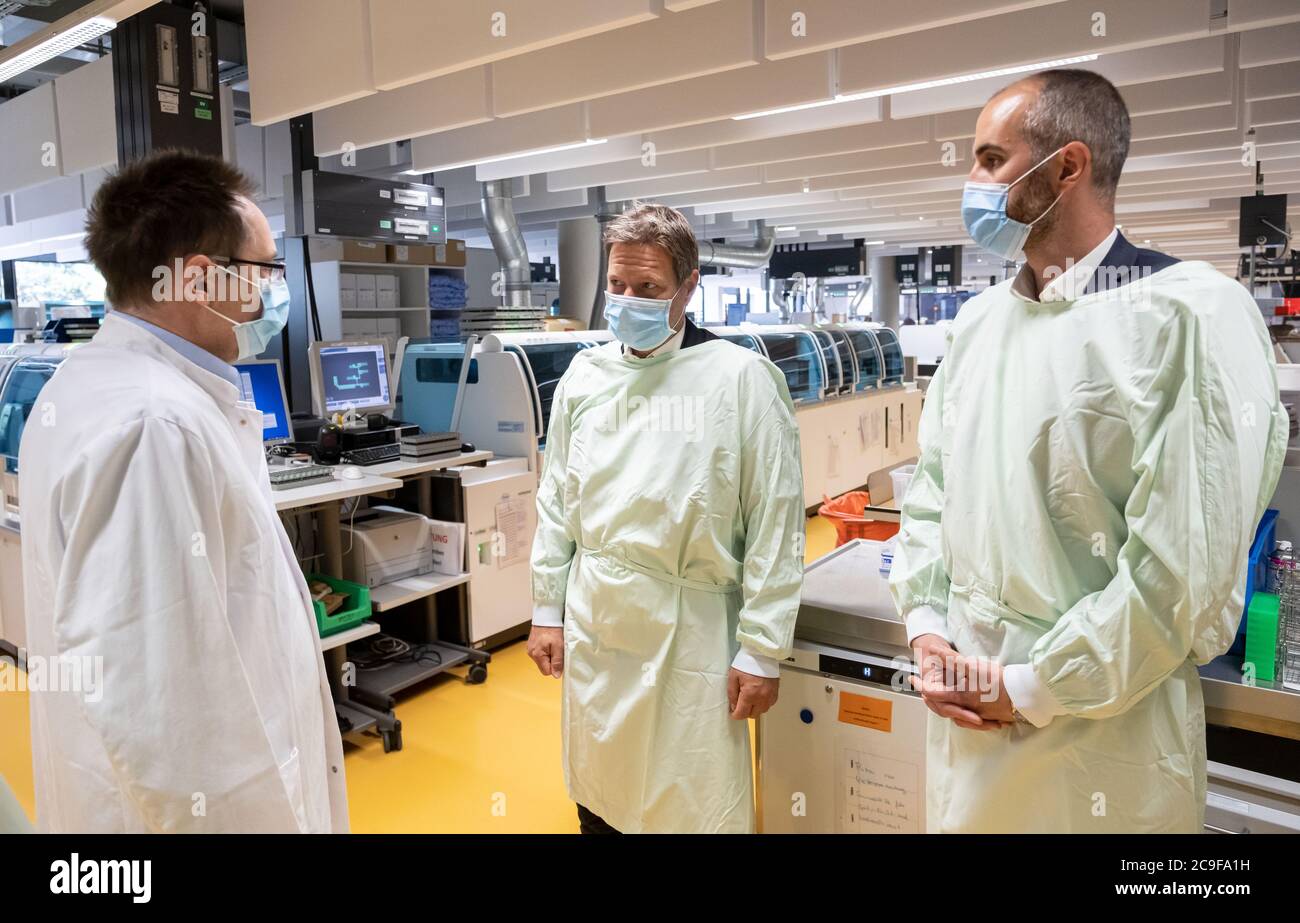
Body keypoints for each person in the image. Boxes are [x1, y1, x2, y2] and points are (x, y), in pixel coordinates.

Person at [890, 69, 1288, 833]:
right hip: (965, 719)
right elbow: (932, 496)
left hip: (1102, 733)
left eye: (989, 159)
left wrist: (1032, 686)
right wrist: (927, 629)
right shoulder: (977, 325)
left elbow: (1181, 576)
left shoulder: (1189, 316)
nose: (972, 182)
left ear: (1067, 167)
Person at [20, 150, 348, 833]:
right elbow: (169, 725)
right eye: (265, 272)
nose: (270, 297)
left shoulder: (115, 390)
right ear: (199, 279)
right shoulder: (150, 425)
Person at [526, 204, 805, 834]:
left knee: (690, 802)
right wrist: (548, 610)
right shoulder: (584, 377)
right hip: (598, 626)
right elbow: (557, 501)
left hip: (693, 635)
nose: (628, 301)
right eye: (617, 286)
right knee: (600, 797)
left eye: (648, 289)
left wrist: (762, 650)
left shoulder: (741, 381)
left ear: (688, 286)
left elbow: (776, 524)